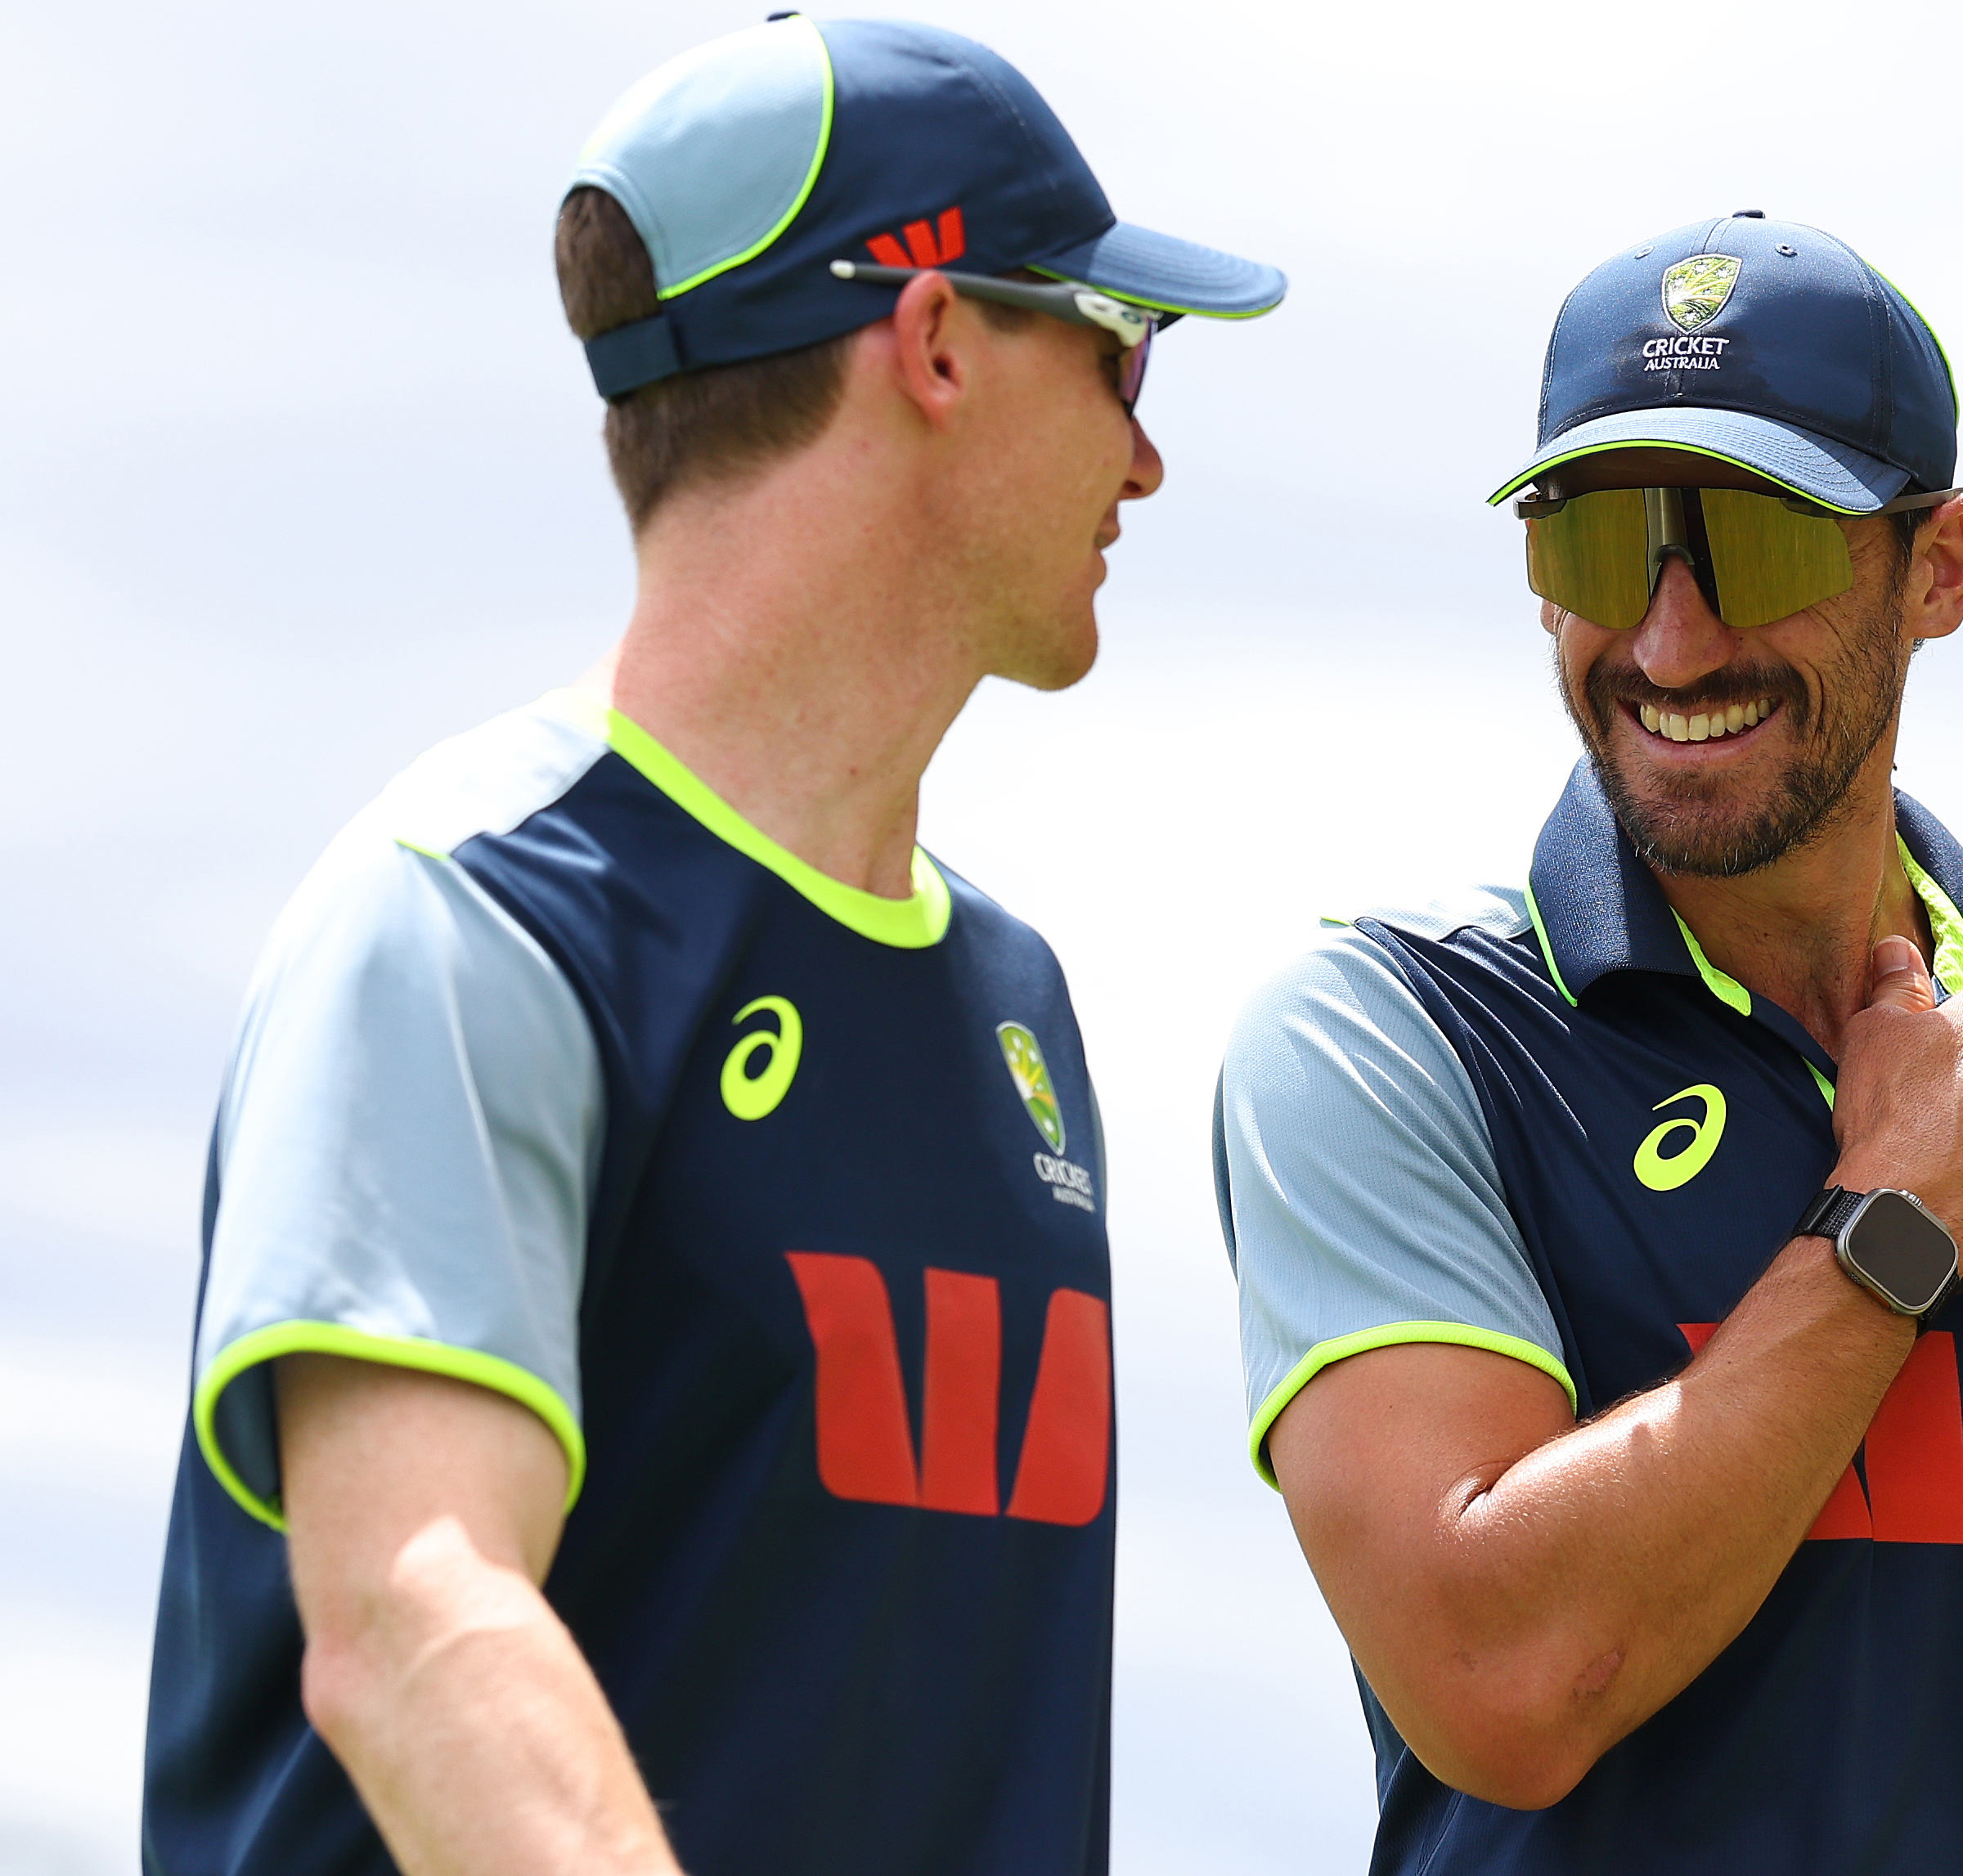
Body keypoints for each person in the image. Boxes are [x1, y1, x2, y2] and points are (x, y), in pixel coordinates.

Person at [141, 19, 1281, 1875]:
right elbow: (417, 1620)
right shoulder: (472, 922)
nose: (1146, 456)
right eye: (1113, 352)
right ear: (932, 345)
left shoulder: (1015, 1001)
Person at [1215, 212, 1963, 1874]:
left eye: (1753, 550)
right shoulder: (1392, 1039)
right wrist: (1902, 1217)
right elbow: (1502, 1679)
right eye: (1602, 554)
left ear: (1939, 568)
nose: (1671, 643)